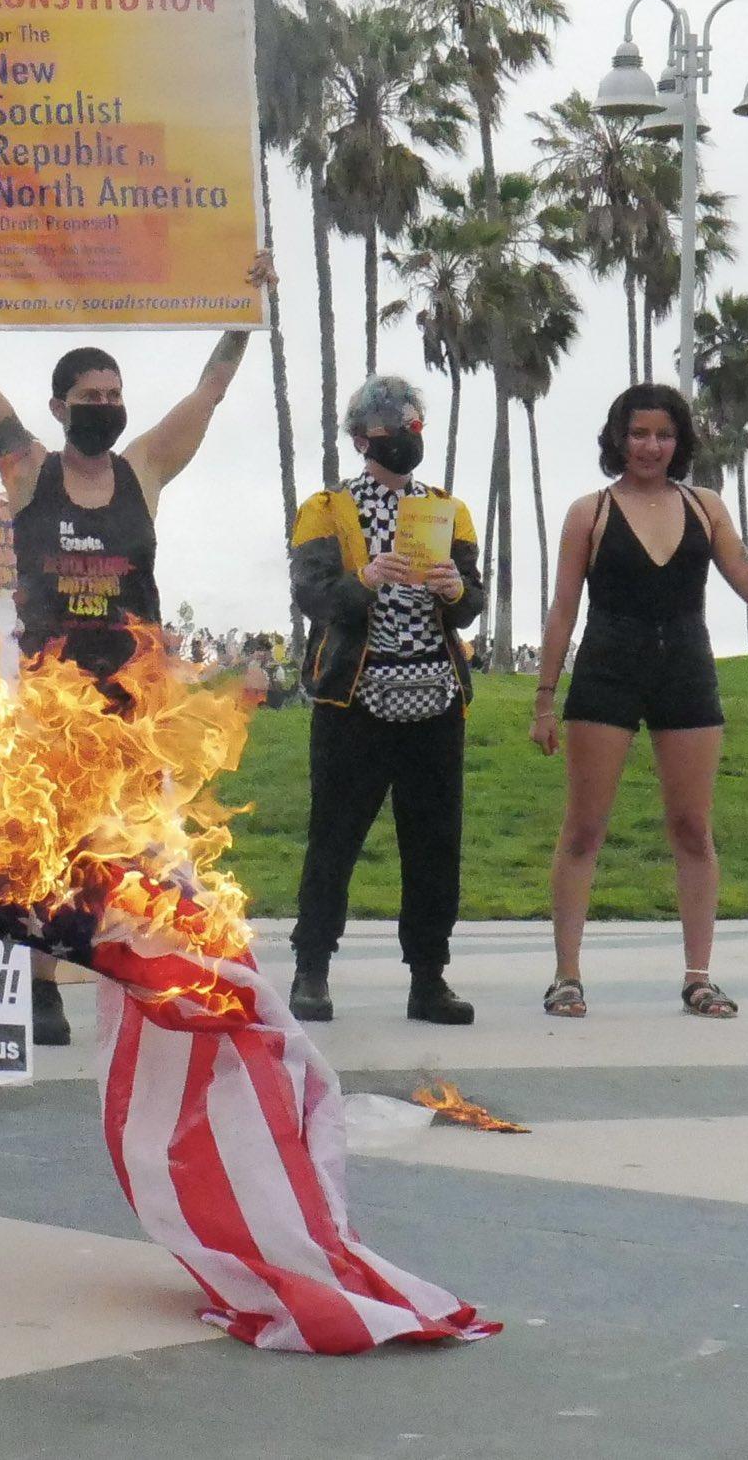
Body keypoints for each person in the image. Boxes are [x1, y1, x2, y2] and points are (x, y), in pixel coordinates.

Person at [0, 221, 270, 1042]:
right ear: (59, 408)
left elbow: (211, 391)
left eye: (113, 396)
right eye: (89, 398)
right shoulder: (30, 473)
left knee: (136, 846)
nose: (104, 408)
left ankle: (150, 981)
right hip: (50, 700)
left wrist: (247, 308)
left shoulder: (145, 469)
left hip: (133, 704)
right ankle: (41, 987)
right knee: (47, 843)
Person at [533, 384, 748, 1020]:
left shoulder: (705, 505)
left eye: (663, 435)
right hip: (606, 674)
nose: (651, 446)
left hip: (686, 671)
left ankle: (698, 978)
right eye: (639, 433)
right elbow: (562, 611)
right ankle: (566, 975)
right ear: (618, 438)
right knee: (584, 828)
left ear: (679, 441)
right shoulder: (589, 512)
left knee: (692, 827)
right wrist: (544, 699)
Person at [288, 375, 483, 1026]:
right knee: (334, 838)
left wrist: (456, 590)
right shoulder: (326, 509)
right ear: (360, 440)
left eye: (413, 425)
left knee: (434, 845)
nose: (404, 436)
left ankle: (429, 977)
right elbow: (312, 596)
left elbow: (472, 602)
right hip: (355, 702)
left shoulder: (447, 510)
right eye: (390, 428)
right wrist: (366, 578)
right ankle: (311, 967)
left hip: (435, 700)